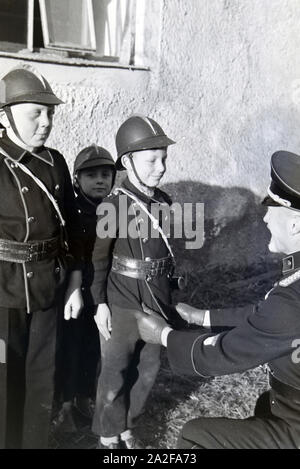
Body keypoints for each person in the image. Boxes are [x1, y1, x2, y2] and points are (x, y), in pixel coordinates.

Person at [135, 150, 300, 449]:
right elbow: (267, 318)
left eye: (271, 209)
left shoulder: (292, 298)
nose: (264, 217)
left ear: (294, 225)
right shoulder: (293, 292)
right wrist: (203, 317)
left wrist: (163, 335)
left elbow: (224, 353)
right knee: (264, 407)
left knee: (196, 436)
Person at [0, 66, 83, 449]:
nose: (46, 122)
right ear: (5, 115)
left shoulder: (56, 163)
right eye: (35, 113)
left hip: (51, 285)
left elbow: (74, 230)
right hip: (4, 291)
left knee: (41, 378)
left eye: (51, 112)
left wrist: (76, 283)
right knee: (4, 379)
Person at [91, 114, 180, 449]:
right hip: (122, 299)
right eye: (151, 160)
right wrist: (99, 302)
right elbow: (99, 259)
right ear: (127, 162)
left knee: (149, 366)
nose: (160, 167)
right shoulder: (112, 205)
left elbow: (167, 254)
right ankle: (108, 433)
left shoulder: (164, 202)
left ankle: (128, 424)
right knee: (115, 367)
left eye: (164, 159)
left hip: (156, 298)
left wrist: (171, 294)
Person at [57, 145, 115, 429]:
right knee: (71, 347)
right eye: (91, 175)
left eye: (106, 174)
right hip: (74, 293)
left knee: (93, 348)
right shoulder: (73, 212)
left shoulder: (114, 212)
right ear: (76, 179)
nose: (100, 180)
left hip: (101, 294)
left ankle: (84, 396)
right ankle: (65, 403)